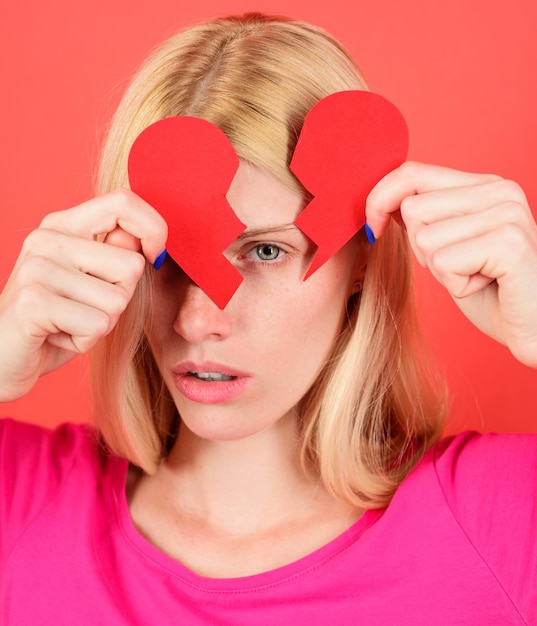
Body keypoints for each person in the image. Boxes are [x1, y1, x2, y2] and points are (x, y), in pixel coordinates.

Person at [1, 12, 536, 624]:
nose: (198, 321)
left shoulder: (500, 523)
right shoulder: (23, 501)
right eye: (167, 256)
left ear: (361, 260)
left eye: (265, 251)